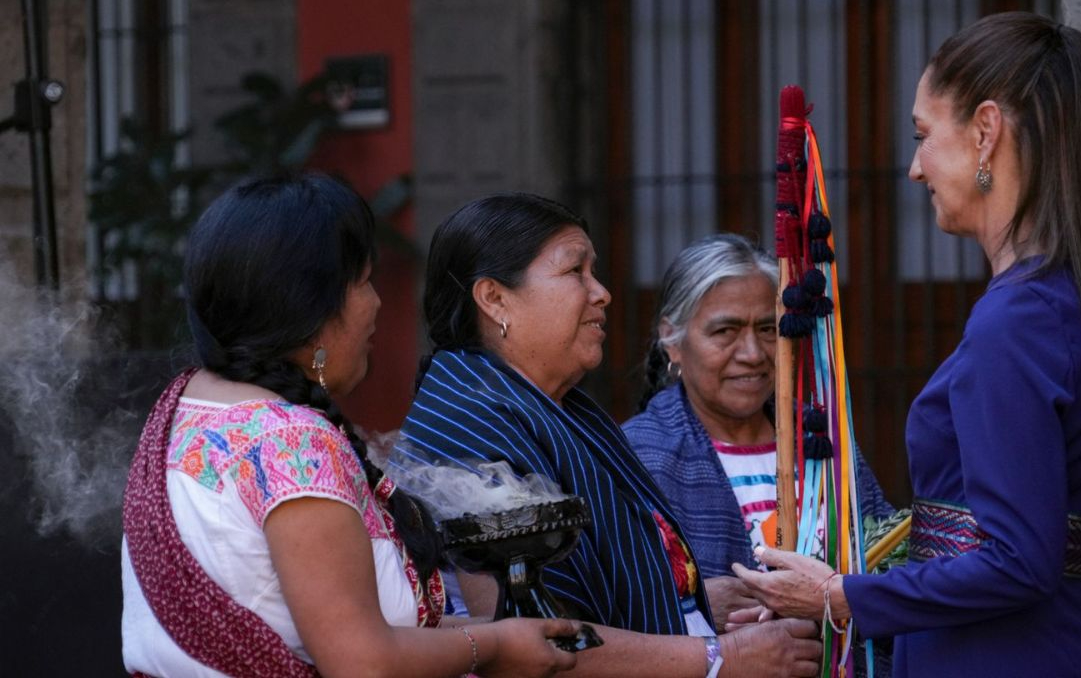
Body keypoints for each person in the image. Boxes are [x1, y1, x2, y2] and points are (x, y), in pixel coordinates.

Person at [729, 12, 1081, 678]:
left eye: (924, 136)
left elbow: (1018, 560)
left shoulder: (1016, 320)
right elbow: (1001, 530)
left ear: (985, 132)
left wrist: (839, 596)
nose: (914, 168)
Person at [120, 174, 580, 676]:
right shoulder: (291, 442)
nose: (377, 303)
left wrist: (499, 634)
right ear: (312, 305)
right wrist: (491, 648)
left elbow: (334, 628)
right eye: (363, 282)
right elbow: (361, 662)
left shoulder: (185, 407)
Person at [395, 192, 823, 677]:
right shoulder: (469, 423)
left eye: (592, 272)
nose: (602, 292)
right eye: (575, 271)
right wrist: (725, 657)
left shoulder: (552, 411)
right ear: (494, 299)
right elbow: (525, 638)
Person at [622, 233, 893, 632]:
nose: (752, 353)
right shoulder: (639, 457)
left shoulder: (820, 440)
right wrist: (689, 607)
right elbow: (610, 605)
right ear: (672, 340)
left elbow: (887, 556)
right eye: (725, 331)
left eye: (768, 329)